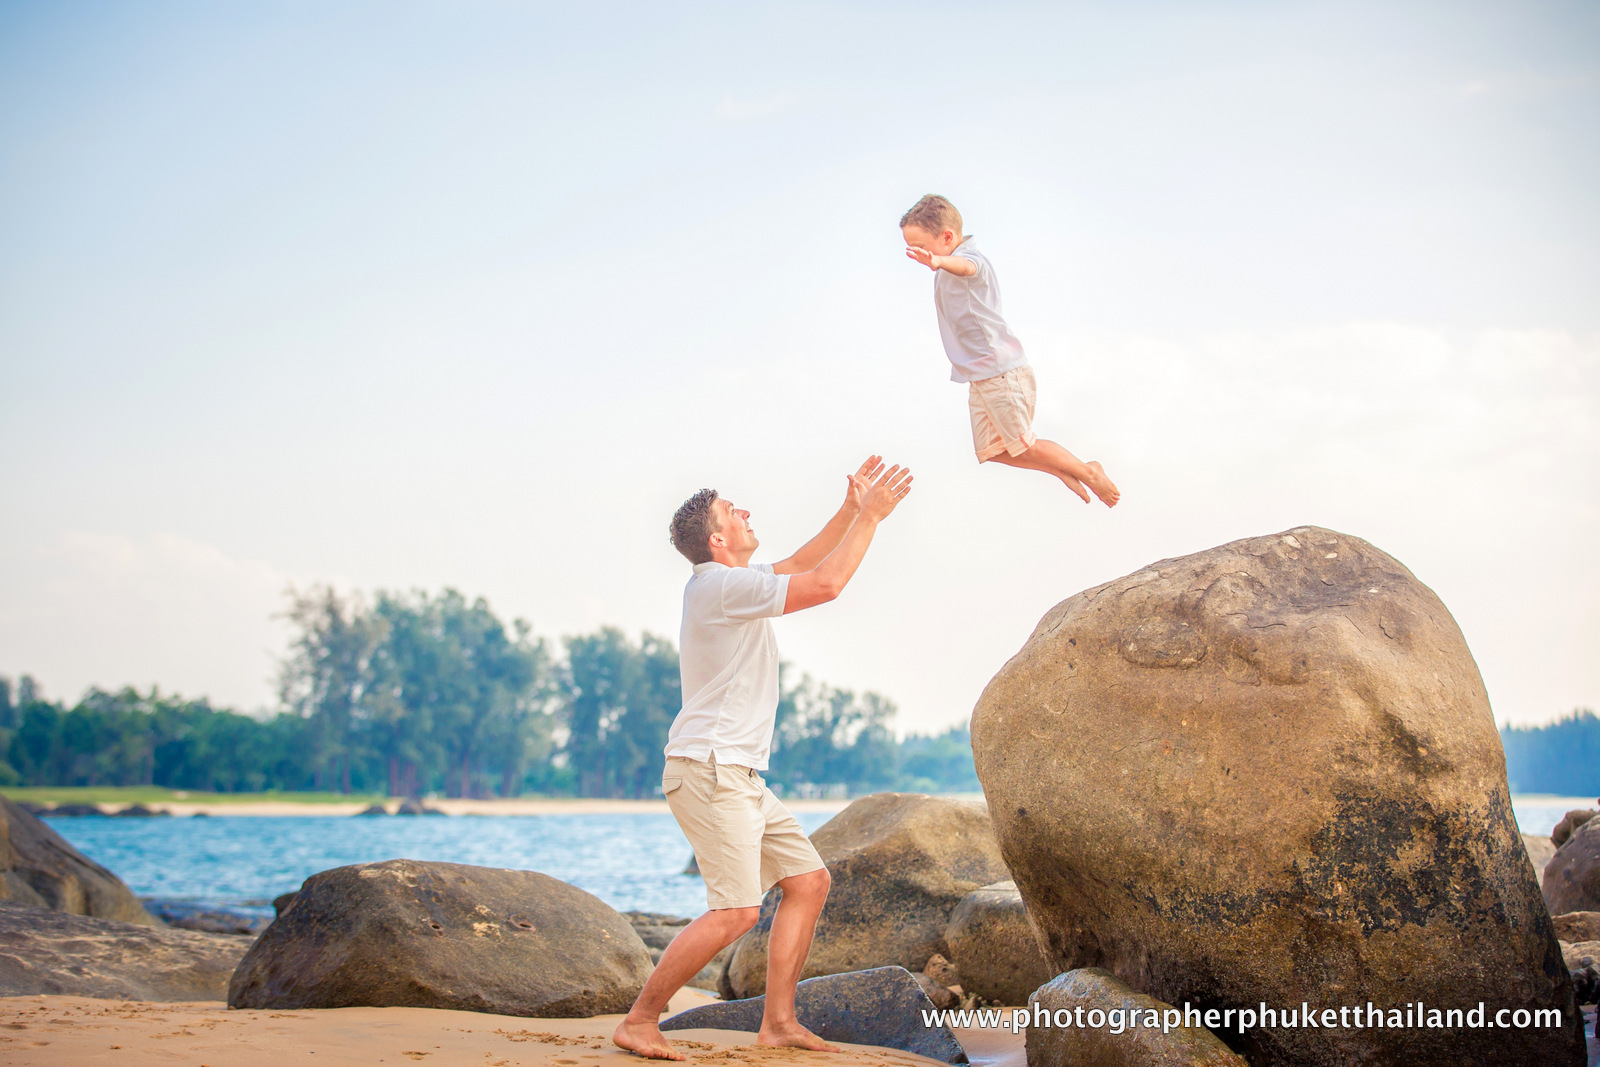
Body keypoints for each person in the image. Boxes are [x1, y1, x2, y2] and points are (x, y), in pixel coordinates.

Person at [612, 456, 914, 1061]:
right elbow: (825, 585)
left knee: (807, 881)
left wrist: (852, 508)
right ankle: (641, 1021)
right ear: (716, 541)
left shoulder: (731, 585)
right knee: (736, 912)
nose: (746, 512)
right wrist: (873, 519)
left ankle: (778, 1021)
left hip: (737, 773)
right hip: (710, 769)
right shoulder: (719, 586)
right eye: (732, 511)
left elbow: (803, 564)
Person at [900, 193, 1120, 507]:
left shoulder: (970, 260)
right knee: (993, 450)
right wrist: (937, 261)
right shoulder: (945, 265)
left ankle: (1088, 470)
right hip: (980, 376)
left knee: (1023, 443)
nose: (916, 254)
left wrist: (938, 261)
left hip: (1001, 371)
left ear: (947, 237)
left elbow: (966, 267)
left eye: (921, 246)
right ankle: (1063, 468)